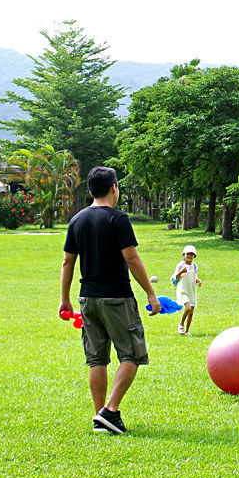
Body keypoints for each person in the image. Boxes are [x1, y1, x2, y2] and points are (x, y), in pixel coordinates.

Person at [59, 165, 162, 435]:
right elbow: (131, 257)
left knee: (97, 359)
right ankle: (110, 410)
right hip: (117, 298)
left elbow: (68, 262)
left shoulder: (77, 220)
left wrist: (65, 299)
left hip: (87, 299)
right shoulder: (118, 219)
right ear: (114, 187)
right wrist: (150, 293)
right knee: (132, 354)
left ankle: (100, 417)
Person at [170, 244, 200, 335]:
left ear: (194, 256)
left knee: (191, 311)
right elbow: (175, 277)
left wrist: (198, 281)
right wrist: (181, 271)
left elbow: (195, 276)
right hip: (182, 290)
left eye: (192, 254)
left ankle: (186, 331)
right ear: (184, 255)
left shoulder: (195, 266)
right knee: (187, 308)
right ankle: (181, 324)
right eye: (188, 254)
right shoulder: (181, 265)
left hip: (191, 290)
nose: (189, 256)